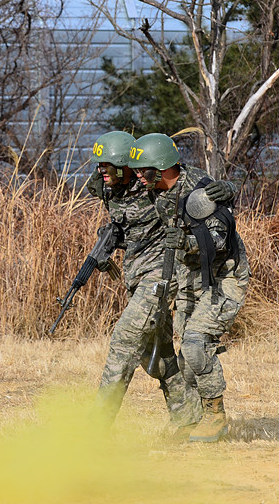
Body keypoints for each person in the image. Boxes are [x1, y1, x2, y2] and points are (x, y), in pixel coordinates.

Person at [118, 132, 250, 442]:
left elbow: (218, 241)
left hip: (224, 278)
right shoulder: (154, 188)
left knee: (194, 343)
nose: (138, 176)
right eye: (137, 171)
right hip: (189, 278)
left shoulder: (198, 190)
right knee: (186, 360)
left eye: (143, 170)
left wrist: (189, 242)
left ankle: (216, 417)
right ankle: (192, 419)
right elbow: (125, 198)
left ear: (162, 167)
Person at [86, 130, 204, 439]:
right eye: (99, 165)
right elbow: (123, 224)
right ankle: (188, 416)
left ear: (128, 167)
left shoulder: (154, 186)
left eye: (108, 166)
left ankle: (93, 432)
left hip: (162, 276)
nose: (101, 172)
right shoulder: (107, 186)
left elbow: (187, 181)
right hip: (135, 276)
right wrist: (107, 244)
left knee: (124, 342)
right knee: (158, 353)